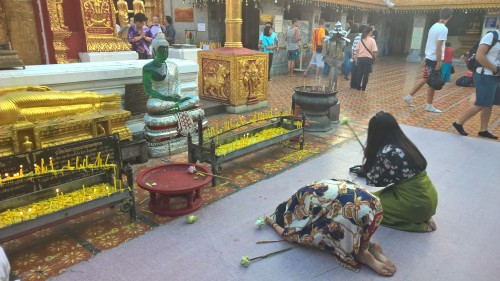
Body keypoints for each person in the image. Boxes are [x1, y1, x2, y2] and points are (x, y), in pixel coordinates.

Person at [265, 179, 396, 276]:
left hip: (355, 214)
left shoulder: (296, 218)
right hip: (374, 205)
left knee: (326, 232)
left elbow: (288, 235)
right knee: (345, 216)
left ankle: (363, 253)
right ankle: (367, 245)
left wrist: (271, 222)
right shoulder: (308, 188)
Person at [362, 111, 438, 232]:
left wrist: (370, 158)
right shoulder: (405, 143)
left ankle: (420, 225)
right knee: (374, 197)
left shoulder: (386, 152)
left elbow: (374, 180)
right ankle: (425, 216)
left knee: (366, 207)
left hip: (414, 204)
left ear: (375, 133)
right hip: (428, 197)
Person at [452, 26, 500, 140]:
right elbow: (479, 56)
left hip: (495, 76)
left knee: (489, 103)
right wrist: (495, 69)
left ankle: (483, 130)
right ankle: (459, 123)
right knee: (482, 103)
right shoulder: (491, 36)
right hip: (485, 74)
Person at [403, 8, 453, 113]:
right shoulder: (443, 29)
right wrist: (439, 61)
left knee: (426, 79)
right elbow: (438, 46)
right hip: (434, 59)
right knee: (433, 82)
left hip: (430, 57)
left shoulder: (434, 26)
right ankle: (429, 105)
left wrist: (426, 57)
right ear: (450, 17)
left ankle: (408, 96)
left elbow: (430, 43)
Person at [142, 31, 199, 115]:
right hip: (159, 99)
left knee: (195, 98)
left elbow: (177, 83)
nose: (165, 51)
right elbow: (148, 90)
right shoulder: (148, 68)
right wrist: (164, 97)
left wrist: (177, 96)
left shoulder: (173, 66)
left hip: (174, 97)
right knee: (152, 106)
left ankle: (173, 107)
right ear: (154, 50)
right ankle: (178, 106)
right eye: (161, 49)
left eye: (166, 48)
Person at [354, 26, 377, 91]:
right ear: (369, 32)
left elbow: (357, 50)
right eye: (371, 31)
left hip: (360, 58)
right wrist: (374, 59)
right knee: (366, 74)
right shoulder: (372, 40)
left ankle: (358, 87)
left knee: (359, 73)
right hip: (368, 59)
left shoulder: (361, 40)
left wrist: (356, 58)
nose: (372, 32)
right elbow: (374, 51)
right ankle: (363, 87)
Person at [350, 25, 366, 89]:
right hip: (361, 57)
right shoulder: (364, 38)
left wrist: (353, 56)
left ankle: (352, 84)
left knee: (354, 71)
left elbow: (353, 48)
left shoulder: (356, 37)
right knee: (360, 72)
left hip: (355, 56)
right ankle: (358, 85)